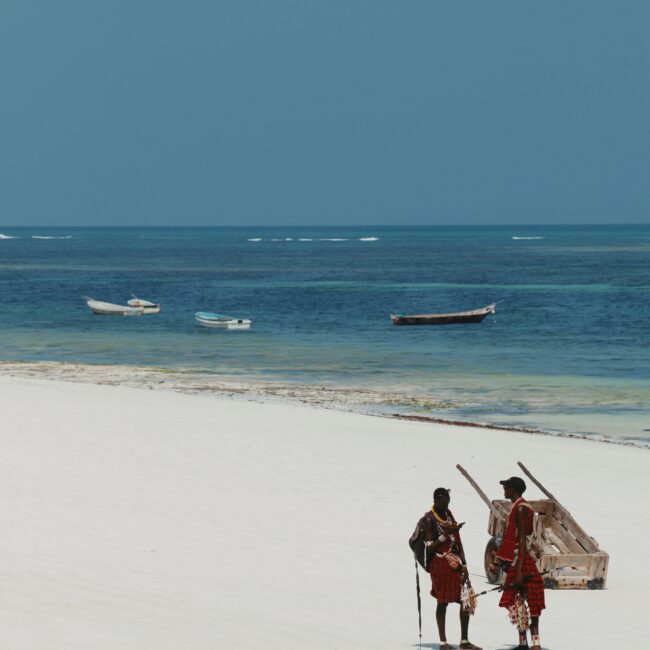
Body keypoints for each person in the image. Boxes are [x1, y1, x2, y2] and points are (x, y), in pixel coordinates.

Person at [423, 487, 481, 650]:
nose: (447, 504)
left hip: (455, 563)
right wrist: (445, 535)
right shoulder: (429, 519)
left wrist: (464, 565)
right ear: (436, 500)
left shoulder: (448, 514)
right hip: (440, 564)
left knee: (465, 599)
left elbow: (457, 541)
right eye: (444, 501)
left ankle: (464, 641)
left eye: (448, 500)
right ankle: (443, 643)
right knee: (442, 602)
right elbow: (429, 548)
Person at [495, 476, 545, 649]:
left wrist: (518, 572)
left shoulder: (521, 509)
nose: (504, 490)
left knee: (529, 601)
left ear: (513, 489)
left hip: (522, 560)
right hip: (519, 559)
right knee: (519, 601)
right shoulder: (517, 507)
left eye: (506, 487)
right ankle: (524, 643)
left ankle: (535, 645)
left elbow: (522, 540)